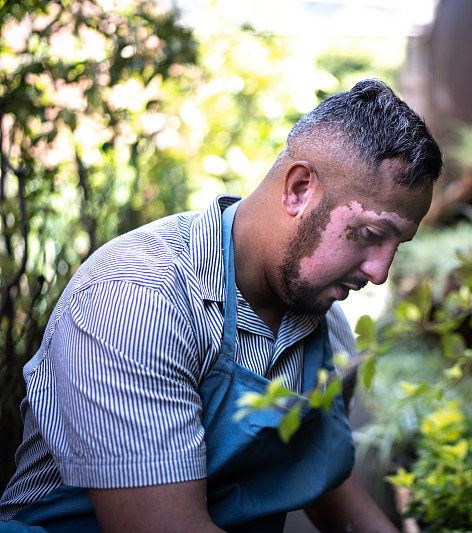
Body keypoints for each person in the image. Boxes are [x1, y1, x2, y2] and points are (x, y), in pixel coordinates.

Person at [0, 79, 442, 532]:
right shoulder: (138, 301)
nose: (380, 272)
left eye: (397, 245)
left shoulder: (330, 333)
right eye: (370, 234)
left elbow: (321, 475)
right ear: (299, 189)